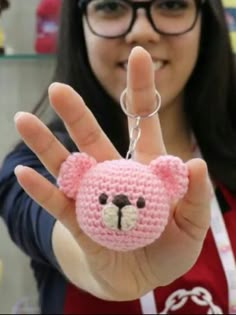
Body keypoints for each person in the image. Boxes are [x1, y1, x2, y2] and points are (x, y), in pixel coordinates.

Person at [0, 0, 236, 313]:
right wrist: (101, 268)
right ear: (78, 25)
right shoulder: (37, 167)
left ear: (207, 21)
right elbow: (56, 232)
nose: (141, 31)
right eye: (111, 6)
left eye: (172, 4)